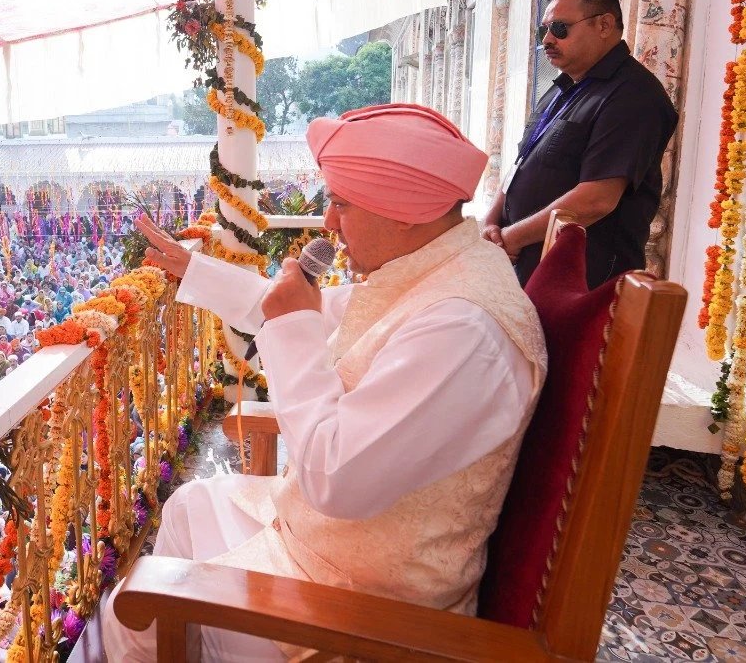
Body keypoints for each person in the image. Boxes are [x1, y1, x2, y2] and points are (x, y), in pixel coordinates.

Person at [106, 103, 547, 662]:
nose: (330, 224)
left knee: (139, 603)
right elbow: (300, 307)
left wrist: (295, 329)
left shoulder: (463, 327)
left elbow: (335, 480)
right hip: (340, 549)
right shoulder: (436, 270)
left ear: (405, 210)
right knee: (189, 506)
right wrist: (192, 269)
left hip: (368, 607)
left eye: (341, 203)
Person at [484, 0, 678, 288]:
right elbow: (523, 161)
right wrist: (492, 222)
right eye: (544, 30)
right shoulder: (563, 87)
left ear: (604, 25)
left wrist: (511, 238)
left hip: (579, 280)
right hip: (527, 265)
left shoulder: (633, 95)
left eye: (560, 28)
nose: (547, 39)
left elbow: (596, 199)